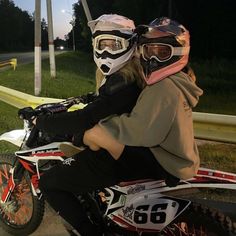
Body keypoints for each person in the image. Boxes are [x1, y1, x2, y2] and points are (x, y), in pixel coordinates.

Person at [38, 17, 203, 236]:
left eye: (161, 52)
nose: (152, 58)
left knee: (49, 182)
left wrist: (92, 131)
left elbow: (137, 131)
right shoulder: (166, 81)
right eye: (148, 50)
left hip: (157, 159)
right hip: (161, 153)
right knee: (91, 138)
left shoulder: (159, 88)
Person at [27, 14, 144, 148]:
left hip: (119, 148)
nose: (106, 51)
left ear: (130, 45)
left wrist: (38, 121)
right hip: (120, 140)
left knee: (62, 164)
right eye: (103, 44)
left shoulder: (123, 81)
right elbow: (107, 103)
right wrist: (90, 97)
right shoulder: (128, 73)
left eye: (115, 45)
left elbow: (85, 118)